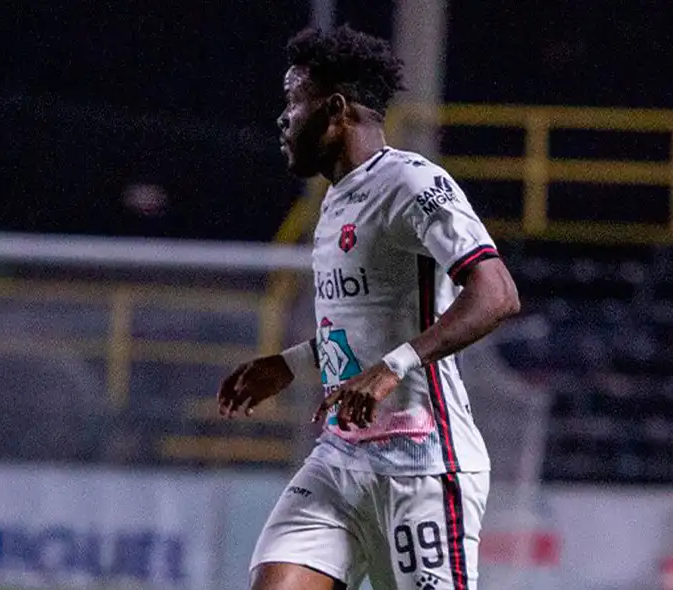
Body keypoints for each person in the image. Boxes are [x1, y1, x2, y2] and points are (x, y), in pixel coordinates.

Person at [217, 26, 521, 590]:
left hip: (425, 470)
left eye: (293, 100)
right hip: (341, 463)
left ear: (334, 110)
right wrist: (288, 363)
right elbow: (363, 331)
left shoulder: (411, 181)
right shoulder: (336, 199)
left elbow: (497, 293)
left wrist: (393, 367)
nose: (284, 118)